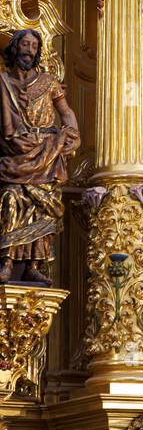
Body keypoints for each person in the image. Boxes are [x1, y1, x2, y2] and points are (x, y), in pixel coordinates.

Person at [0, 30, 80, 285]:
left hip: (46, 151)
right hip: (15, 154)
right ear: (15, 48)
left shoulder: (49, 82)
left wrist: (75, 135)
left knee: (43, 207)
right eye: (25, 44)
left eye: (34, 46)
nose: (29, 49)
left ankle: (34, 265)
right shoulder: (3, 82)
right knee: (10, 198)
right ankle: (7, 260)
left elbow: (65, 113)